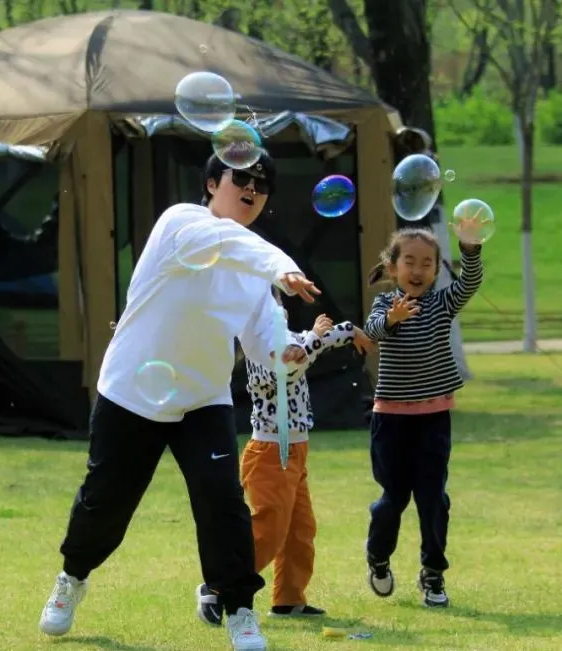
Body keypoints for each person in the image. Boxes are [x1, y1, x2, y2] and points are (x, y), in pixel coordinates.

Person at [37, 152, 321, 651]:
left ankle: (238, 610)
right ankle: (72, 578)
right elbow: (229, 242)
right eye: (243, 179)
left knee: (223, 504)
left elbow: (264, 345)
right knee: (105, 502)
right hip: (129, 390)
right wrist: (283, 266)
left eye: (263, 185)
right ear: (213, 184)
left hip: (202, 400)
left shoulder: (257, 269)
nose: (253, 189)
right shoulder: (182, 222)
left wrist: (292, 352)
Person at [196, 305, 374, 626]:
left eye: (276, 302)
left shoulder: (289, 337)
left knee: (299, 529)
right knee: (269, 531)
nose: (276, 309)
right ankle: (217, 586)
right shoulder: (257, 348)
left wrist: (350, 331)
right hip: (269, 453)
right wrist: (315, 339)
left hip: (295, 449)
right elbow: (289, 366)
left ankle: (289, 598)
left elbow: (312, 342)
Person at [361, 225, 483, 608]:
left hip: (433, 419)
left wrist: (470, 249)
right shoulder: (385, 305)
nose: (417, 269)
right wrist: (393, 318)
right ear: (393, 267)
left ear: (436, 271)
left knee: (434, 500)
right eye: (409, 261)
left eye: (426, 263)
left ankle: (433, 573)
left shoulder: (441, 303)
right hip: (391, 421)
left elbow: (470, 283)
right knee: (393, 499)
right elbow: (372, 332)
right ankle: (378, 558)